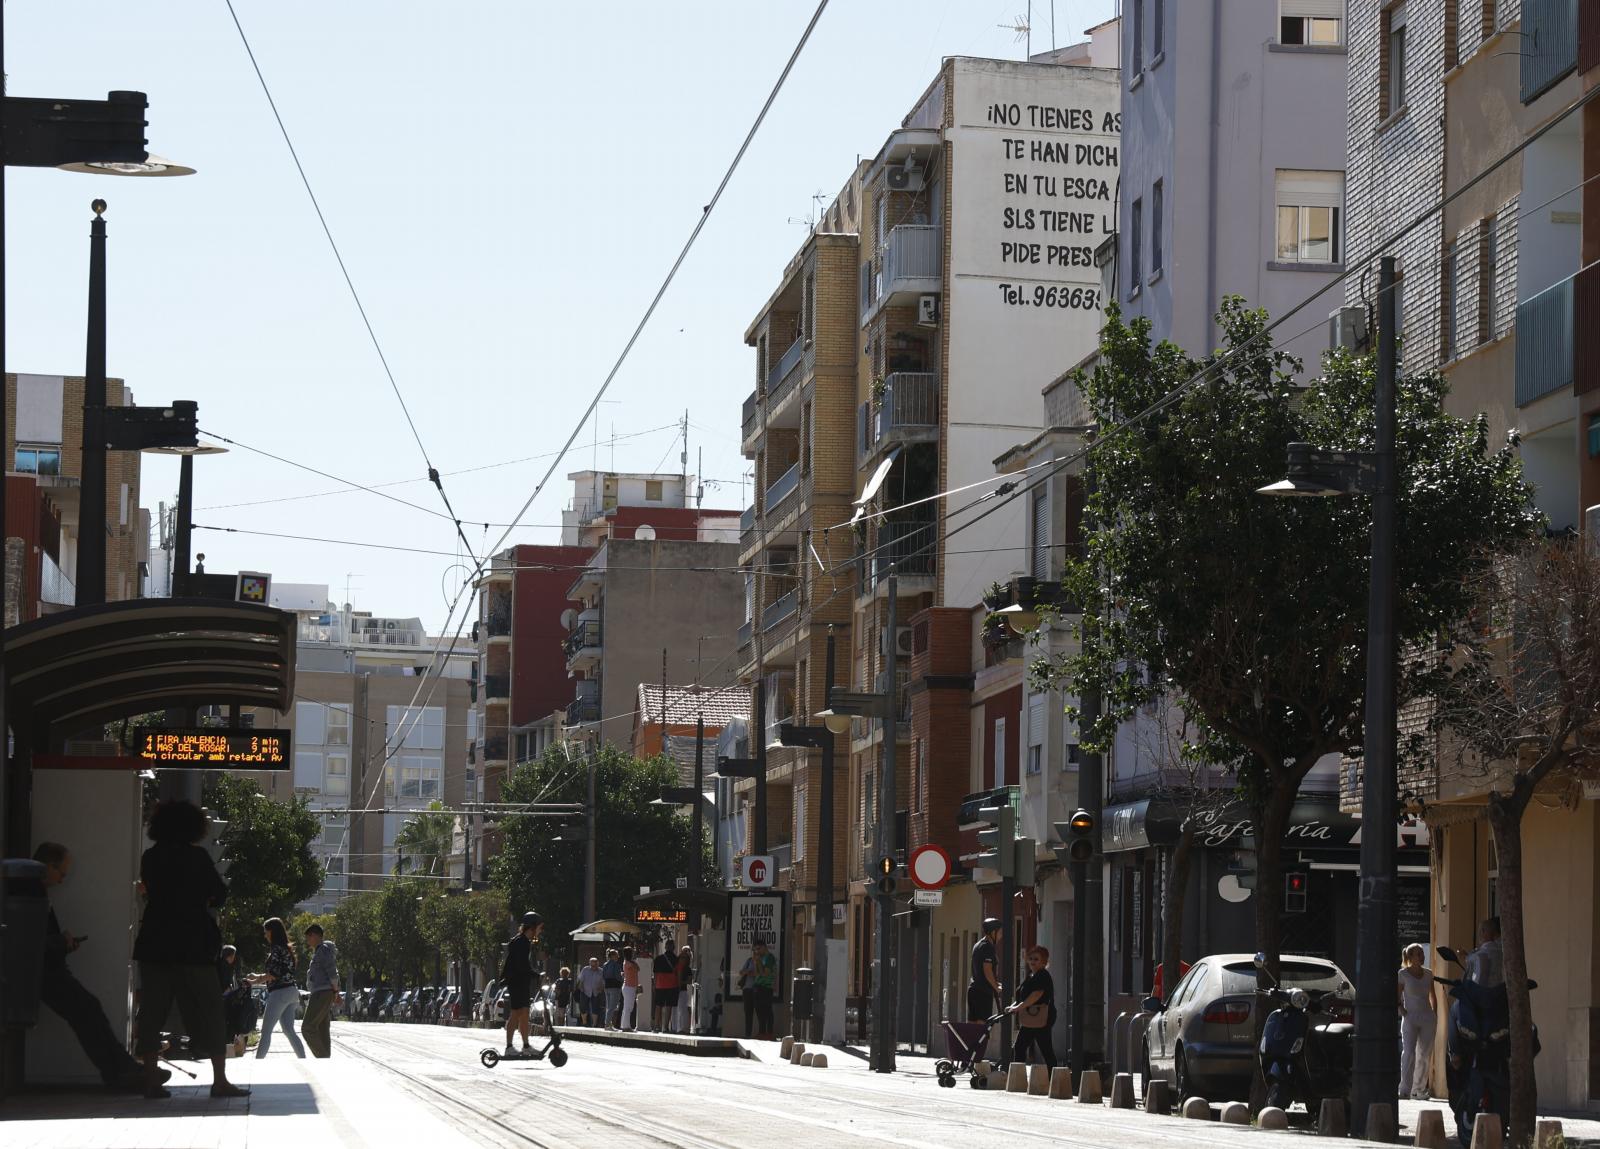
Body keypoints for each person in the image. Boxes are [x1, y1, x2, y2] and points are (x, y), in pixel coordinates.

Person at [131, 800, 248, 1099]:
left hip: (155, 943)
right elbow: (219, 894)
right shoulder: (197, 857)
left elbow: (150, 890)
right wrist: (200, 900)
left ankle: (150, 1081)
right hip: (193, 945)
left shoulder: (151, 857)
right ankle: (219, 1080)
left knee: (152, 1012)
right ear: (193, 827)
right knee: (211, 1009)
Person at [32, 842, 159, 1091]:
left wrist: (61, 943)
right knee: (88, 1010)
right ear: (49, 866)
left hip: (46, 968)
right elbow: (29, 939)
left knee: (88, 1010)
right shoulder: (32, 892)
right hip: (45, 970)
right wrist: (61, 942)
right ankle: (122, 1071)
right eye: (61, 873)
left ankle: (121, 1071)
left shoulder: (33, 890)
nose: (62, 880)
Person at [248, 917, 306, 1059]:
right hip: (292, 991)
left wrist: (255, 981)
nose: (265, 935)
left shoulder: (275, 949)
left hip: (280, 993)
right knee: (289, 1030)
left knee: (266, 1031)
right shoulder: (287, 949)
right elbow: (280, 972)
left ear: (272, 932)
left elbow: (273, 974)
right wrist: (257, 977)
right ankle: (303, 1059)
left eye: (266, 932)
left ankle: (257, 1063)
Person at [500, 911, 544, 1056]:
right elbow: (521, 966)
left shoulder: (525, 942)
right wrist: (535, 974)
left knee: (524, 1014)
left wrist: (533, 975)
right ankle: (509, 1047)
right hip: (516, 983)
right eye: (539, 928)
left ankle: (526, 1046)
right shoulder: (521, 942)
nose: (540, 931)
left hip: (521, 982)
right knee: (516, 1013)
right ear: (532, 927)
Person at [1006, 945, 1057, 1070]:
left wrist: (1019, 1007)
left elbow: (1036, 994)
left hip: (1041, 1016)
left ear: (1043, 962)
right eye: (1031, 958)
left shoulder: (1042, 975)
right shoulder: (1031, 976)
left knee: (1045, 1049)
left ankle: (1055, 1077)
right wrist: (1013, 1006)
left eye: (1036, 959)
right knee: (1020, 1047)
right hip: (1030, 1016)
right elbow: (1023, 996)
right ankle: (1018, 1075)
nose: (1032, 961)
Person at [1398, 942, 1437, 1100]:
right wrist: (1403, 1012)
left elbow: (1432, 995)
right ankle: (1405, 1089)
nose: (1422, 956)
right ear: (1410, 957)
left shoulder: (1428, 974)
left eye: (1422, 953)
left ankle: (1418, 1090)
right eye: (1418, 954)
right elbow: (1397, 996)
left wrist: (1435, 1014)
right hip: (1410, 1017)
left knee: (1424, 1054)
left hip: (1427, 1017)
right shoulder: (1403, 974)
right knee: (1409, 1052)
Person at [301, 922, 339, 1058]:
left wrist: (336, 991)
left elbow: (332, 971)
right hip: (322, 992)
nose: (308, 940)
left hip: (322, 993)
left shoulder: (323, 949)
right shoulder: (320, 951)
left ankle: (322, 1057)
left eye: (309, 937)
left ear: (316, 935)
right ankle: (325, 1060)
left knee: (307, 1028)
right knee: (322, 1029)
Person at [738, 936, 778, 1040]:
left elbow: (765, 973)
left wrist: (758, 962)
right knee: (760, 1011)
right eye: (755, 949)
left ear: (764, 947)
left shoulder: (769, 958)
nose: (757, 951)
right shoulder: (758, 959)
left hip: (766, 986)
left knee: (767, 1009)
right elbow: (757, 973)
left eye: (758, 949)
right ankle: (762, 1032)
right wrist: (756, 963)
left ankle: (769, 1032)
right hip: (758, 986)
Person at [218, 945, 250, 1057]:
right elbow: (224, 985)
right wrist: (230, 990)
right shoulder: (224, 967)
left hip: (225, 1000)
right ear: (229, 955)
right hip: (224, 1000)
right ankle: (228, 1049)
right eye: (233, 955)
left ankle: (228, 1048)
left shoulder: (225, 966)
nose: (234, 958)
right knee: (228, 1025)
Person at [968, 918, 1002, 1021]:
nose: (1001, 936)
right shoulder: (988, 947)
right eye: (1000, 932)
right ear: (993, 932)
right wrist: (996, 987)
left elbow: (980, 972)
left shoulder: (978, 945)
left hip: (973, 990)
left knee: (973, 1024)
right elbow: (987, 970)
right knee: (982, 1025)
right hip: (982, 993)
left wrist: (996, 983)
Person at [1466, 916, 1504, 988]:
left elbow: (1480, 979)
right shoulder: (1500, 949)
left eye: (1481, 930)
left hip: (1485, 992)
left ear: (1484, 931)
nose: (1479, 934)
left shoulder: (1483, 953)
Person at [651, 939, 679, 1033]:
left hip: (660, 984)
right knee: (669, 1006)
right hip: (672, 984)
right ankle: (666, 1027)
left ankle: (656, 1026)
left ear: (665, 947)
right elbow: (678, 973)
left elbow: (655, 973)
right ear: (673, 948)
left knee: (658, 1005)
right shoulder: (676, 959)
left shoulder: (658, 958)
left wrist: (654, 985)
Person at [576, 957, 606, 1027]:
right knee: (583, 1007)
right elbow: (580, 979)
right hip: (585, 991)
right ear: (590, 964)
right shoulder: (585, 969)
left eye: (595, 965)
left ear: (598, 964)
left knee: (595, 1007)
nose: (594, 967)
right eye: (592, 965)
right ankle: (584, 1022)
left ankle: (594, 1024)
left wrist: (601, 987)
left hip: (596, 992)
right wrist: (581, 987)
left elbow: (603, 981)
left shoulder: (601, 971)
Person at [673, 944, 695, 1034]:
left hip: (684, 990)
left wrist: (680, 982)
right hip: (678, 990)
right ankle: (678, 1028)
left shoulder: (687, 969)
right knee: (679, 1009)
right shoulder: (677, 967)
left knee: (683, 1009)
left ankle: (683, 1028)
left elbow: (689, 981)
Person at [601, 948, 624, 1029]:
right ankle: (607, 1024)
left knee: (608, 1006)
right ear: (613, 956)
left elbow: (603, 976)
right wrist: (622, 977)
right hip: (615, 987)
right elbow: (618, 977)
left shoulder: (605, 965)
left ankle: (608, 1023)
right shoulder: (616, 965)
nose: (618, 957)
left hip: (607, 986)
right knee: (612, 1006)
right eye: (617, 955)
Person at [620, 946, 641, 1032]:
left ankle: (624, 1025)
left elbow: (638, 968)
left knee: (629, 1007)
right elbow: (637, 968)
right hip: (629, 987)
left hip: (631, 987)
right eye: (632, 952)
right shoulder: (627, 963)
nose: (633, 953)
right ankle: (626, 1026)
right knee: (628, 1007)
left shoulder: (630, 962)